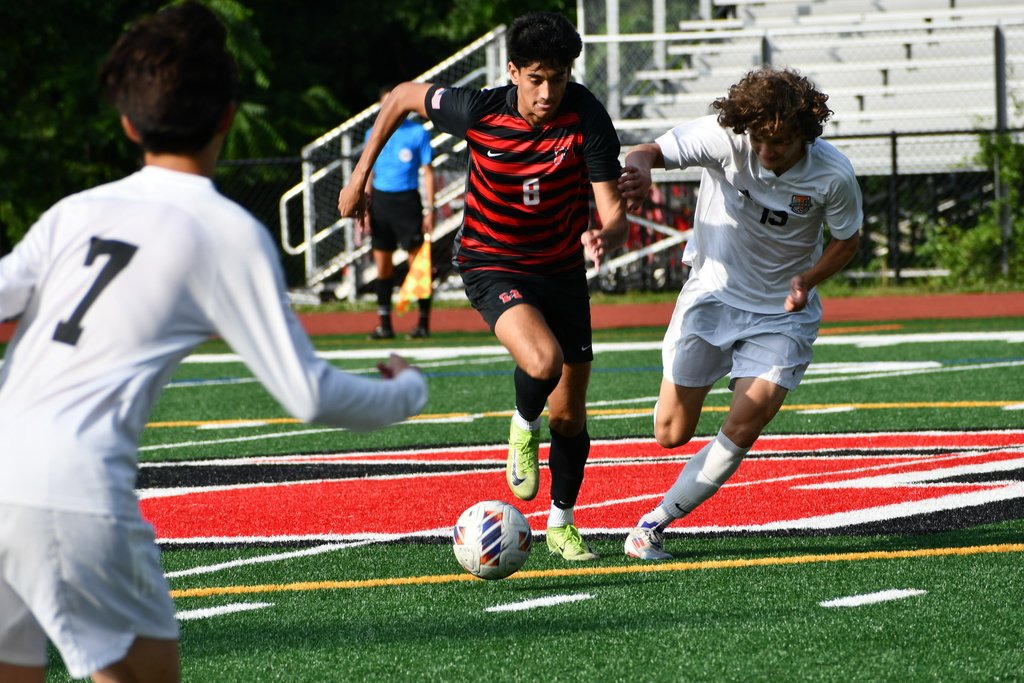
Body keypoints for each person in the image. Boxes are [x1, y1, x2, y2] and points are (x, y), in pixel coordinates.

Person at [0, 4, 427, 682]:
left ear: (128, 123)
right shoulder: (223, 230)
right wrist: (406, 391)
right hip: (73, 488)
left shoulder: (72, 213)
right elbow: (309, 394)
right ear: (228, 115)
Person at [339, 11, 629, 561]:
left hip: (562, 269)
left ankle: (561, 524)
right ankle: (521, 428)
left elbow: (612, 213)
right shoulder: (479, 109)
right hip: (492, 263)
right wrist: (360, 176)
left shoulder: (587, 115)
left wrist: (605, 234)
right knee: (542, 363)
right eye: (538, 78)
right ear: (514, 72)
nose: (548, 92)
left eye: (559, 78)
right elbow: (402, 95)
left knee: (569, 415)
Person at [617, 67, 863, 560]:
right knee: (670, 433)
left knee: (747, 421)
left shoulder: (833, 174)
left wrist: (808, 280)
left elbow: (847, 240)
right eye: (760, 139)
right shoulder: (724, 138)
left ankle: (653, 524)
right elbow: (649, 151)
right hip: (711, 296)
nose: (768, 152)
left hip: (782, 315)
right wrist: (640, 168)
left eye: (782, 142)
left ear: (805, 135)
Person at [361, 84, 436, 340]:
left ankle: (423, 323)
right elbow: (368, 171)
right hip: (381, 203)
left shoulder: (418, 133)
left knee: (418, 265)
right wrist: (365, 206)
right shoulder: (373, 132)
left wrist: (430, 209)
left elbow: (427, 172)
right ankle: (385, 325)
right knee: (383, 268)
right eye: (385, 104)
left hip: (408, 203)